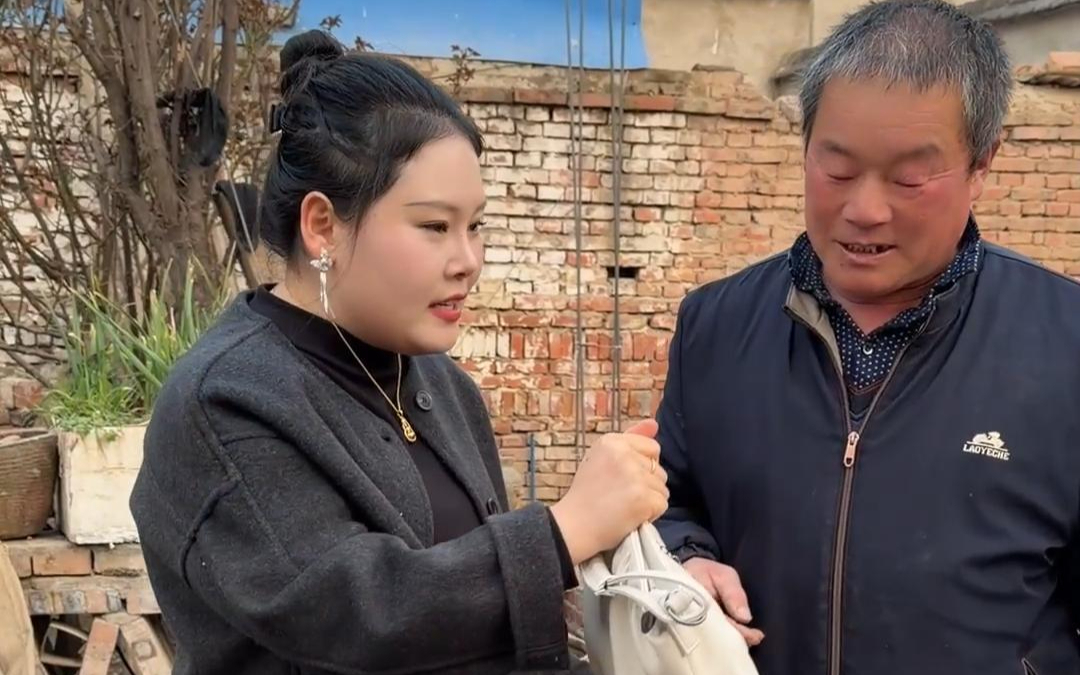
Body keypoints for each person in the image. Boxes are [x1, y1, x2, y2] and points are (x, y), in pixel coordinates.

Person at [130, 30, 669, 675]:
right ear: (323, 226)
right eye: (435, 226)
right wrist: (564, 531)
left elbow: (483, 630)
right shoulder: (224, 402)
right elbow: (352, 619)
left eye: (475, 226)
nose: (468, 260)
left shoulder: (441, 385)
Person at [654, 1, 1080, 674]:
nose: (865, 209)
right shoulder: (715, 325)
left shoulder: (1066, 342)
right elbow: (669, 502)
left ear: (982, 164)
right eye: (838, 169)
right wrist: (684, 555)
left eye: (909, 178)